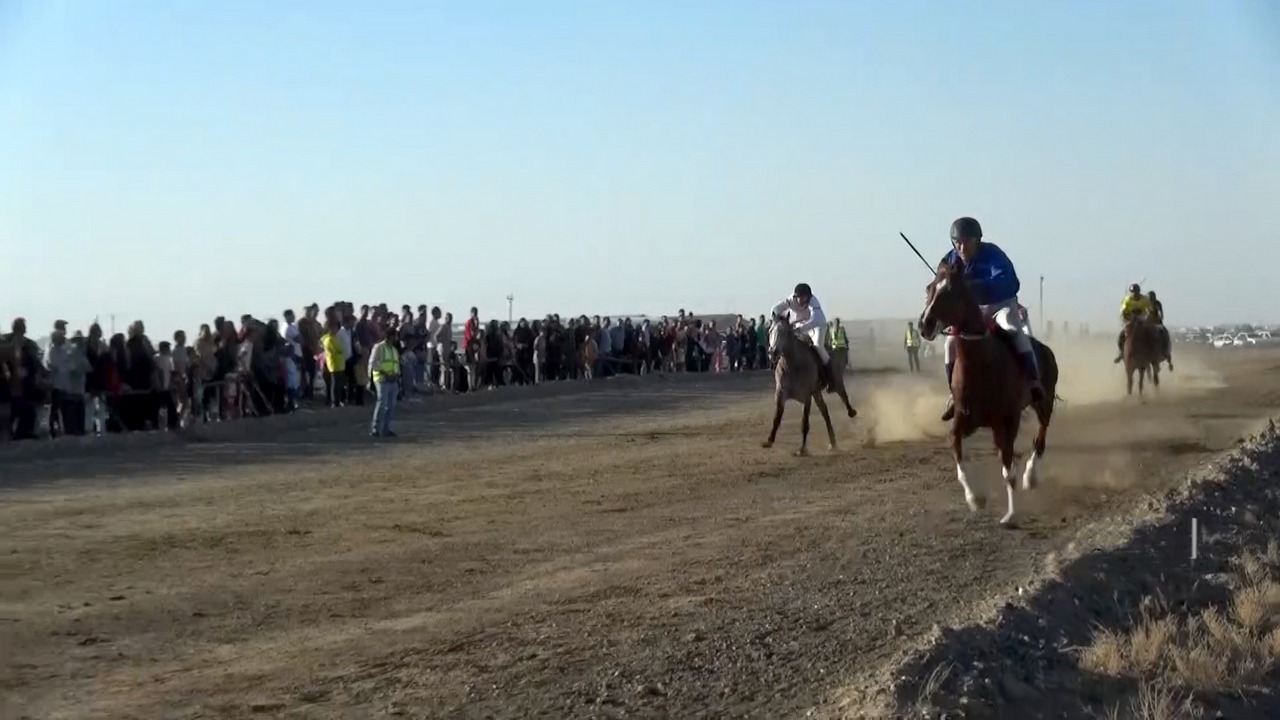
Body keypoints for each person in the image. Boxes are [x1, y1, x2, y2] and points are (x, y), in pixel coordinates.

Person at [939, 217, 1044, 421]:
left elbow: (1009, 282)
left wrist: (975, 285)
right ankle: (955, 395)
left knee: (1013, 329)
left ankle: (1033, 381)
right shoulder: (950, 259)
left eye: (966, 242)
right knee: (950, 343)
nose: (962, 247)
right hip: (973, 313)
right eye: (957, 242)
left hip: (1000, 306)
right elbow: (943, 285)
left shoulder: (993, 255)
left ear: (977, 241)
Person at [770, 283, 834, 389]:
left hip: (816, 326)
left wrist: (800, 329)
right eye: (798, 297)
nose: (800, 300)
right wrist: (775, 315)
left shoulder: (814, 302)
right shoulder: (790, 300)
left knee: (818, 346)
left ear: (808, 297)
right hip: (798, 324)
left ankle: (830, 376)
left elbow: (814, 320)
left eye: (803, 297)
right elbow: (776, 309)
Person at [368, 326, 401, 438]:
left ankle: (386, 429)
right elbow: (373, 363)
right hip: (382, 379)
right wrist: (385, 373)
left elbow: (396, 364)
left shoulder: (394, 350)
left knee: (391, 406)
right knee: (382, 404)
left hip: (393, 380)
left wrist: (396, 375)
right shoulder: (378, 347)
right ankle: (375, 428)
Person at [1113, 283, 1155, 364]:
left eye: (1136, 292)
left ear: (1139, 292)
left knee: (1150, 333)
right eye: (1133, 293)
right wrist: (1126, 314)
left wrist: (1147, 316)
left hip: (1141, 319)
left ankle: (1152, 351)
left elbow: (1150, 309)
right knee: (1122, 334)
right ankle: (1121, 352)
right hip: (1130, 319)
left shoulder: (1145, 299)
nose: (1135, 294)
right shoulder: (1127, 299)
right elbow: (1123, 310)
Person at [1148, 290, 1172, 370]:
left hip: (1157, 322)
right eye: (1149, 297)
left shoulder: (1157, 303)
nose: (1151, 299)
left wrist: (1159, 319)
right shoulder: (1145, 304)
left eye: (1152, 297)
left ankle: (1166, 351)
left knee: (1164, 332)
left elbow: (1161, 314)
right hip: (1147, 323)